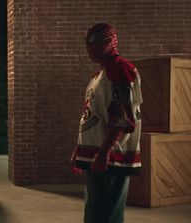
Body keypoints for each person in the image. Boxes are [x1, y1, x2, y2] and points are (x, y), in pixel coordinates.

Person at [70, 23, 143, 223]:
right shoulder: (101, 74)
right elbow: (92, 115)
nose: (89, 48)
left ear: (110, 42)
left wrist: (105, 152)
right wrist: (79, 150)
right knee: (95, 212)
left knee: (106, 214)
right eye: (87, 44)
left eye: (94, 43)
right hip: (97, 155)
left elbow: (121, 117)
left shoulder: (120, 68)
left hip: (110, 157)